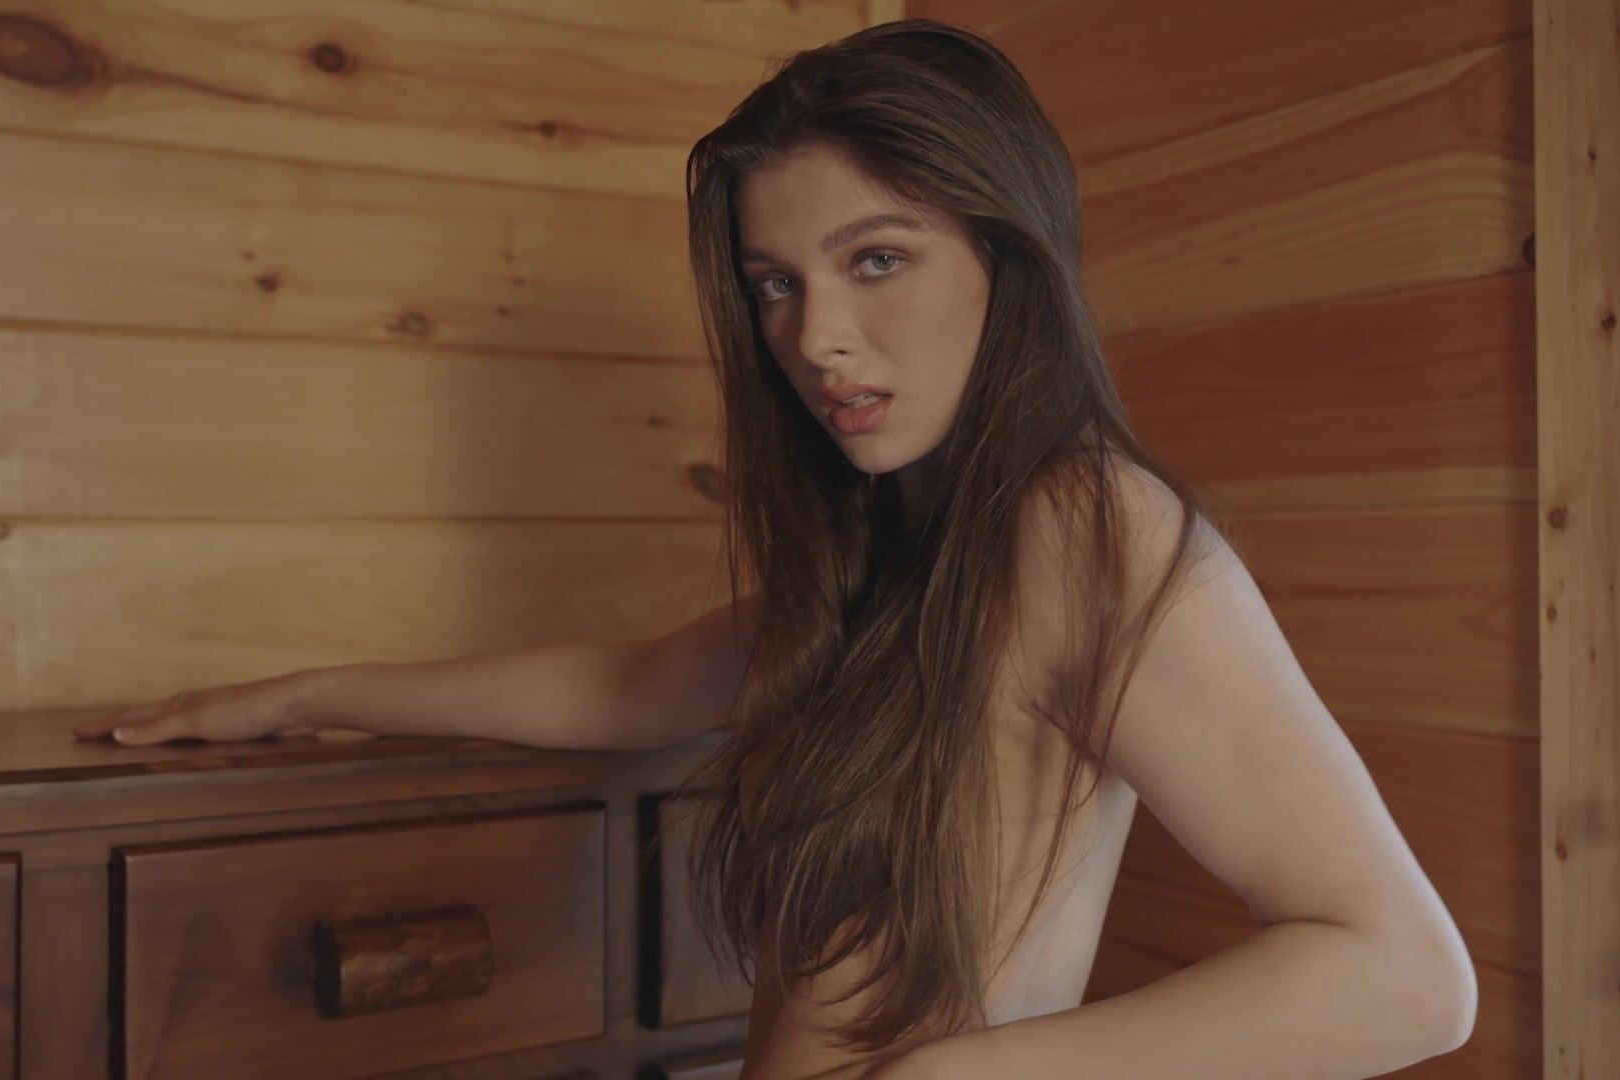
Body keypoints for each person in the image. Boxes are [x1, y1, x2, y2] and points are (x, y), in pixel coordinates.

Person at [73, 19, 1478, 1079]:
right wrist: (303, 696)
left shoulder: (1082, 528)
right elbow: (627, 687)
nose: (816, 338)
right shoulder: (890, 550)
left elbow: (1408, 976)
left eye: (877, 260)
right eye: (773, 286)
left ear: (1008, 257)